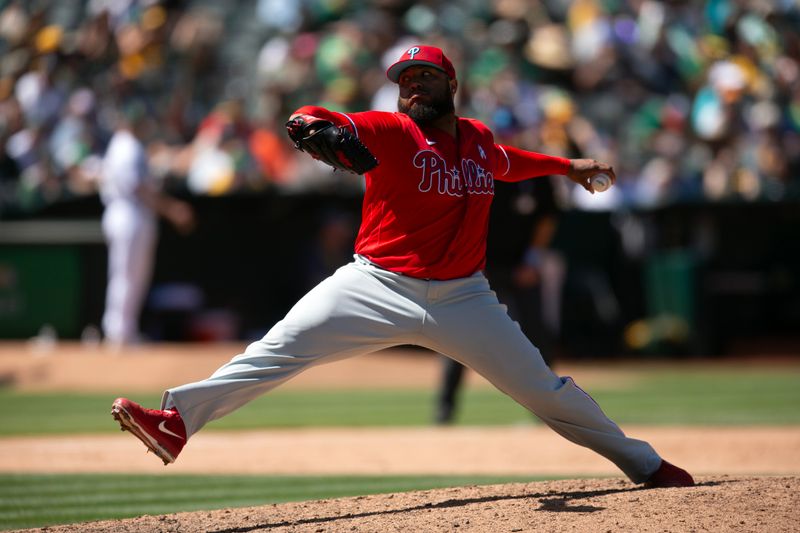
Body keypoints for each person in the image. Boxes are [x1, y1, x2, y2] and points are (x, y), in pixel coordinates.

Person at [111, 45, 693, 488]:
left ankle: (643, 465)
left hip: (465, 298)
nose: (411, 86)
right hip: (375, 285)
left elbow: (507, 162)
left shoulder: (479, 139)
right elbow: (314, 114)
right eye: (405, 80)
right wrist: (313, 124)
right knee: (276, 349)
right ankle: (175, 421)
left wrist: (566, 166)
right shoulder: (390, 131)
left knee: (545, 389)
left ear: (451, 84)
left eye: (424, 77)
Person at [435, 176, 564, 425]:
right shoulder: (480, 169)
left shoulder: (535, 174)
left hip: (522, 267)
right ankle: (445, 411)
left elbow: (548, 217)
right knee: (459, 337)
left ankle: (550, 410)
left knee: (537, 336)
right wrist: (472, 263)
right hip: (480, 267)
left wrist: (533, 259)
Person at [100, 102, 195, 347]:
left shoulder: (123, 145)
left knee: (131, 275)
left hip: (128, 212)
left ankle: (123, 330)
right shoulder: (127, 147)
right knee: (127, 275)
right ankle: (119, 332)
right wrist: (171, 209)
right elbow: (139, 189)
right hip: (128, 213)